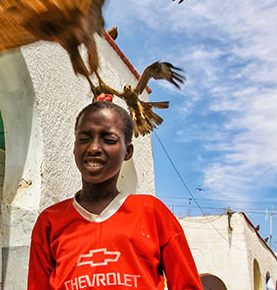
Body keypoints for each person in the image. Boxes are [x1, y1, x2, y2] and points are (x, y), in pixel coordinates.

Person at [28, 100, 202, 289]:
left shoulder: (153, 213)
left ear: (128, 151)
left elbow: (187, 284)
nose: (93, 148)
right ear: (74, 147)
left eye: (109, 140)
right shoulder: (49, 222)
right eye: (84, 139)